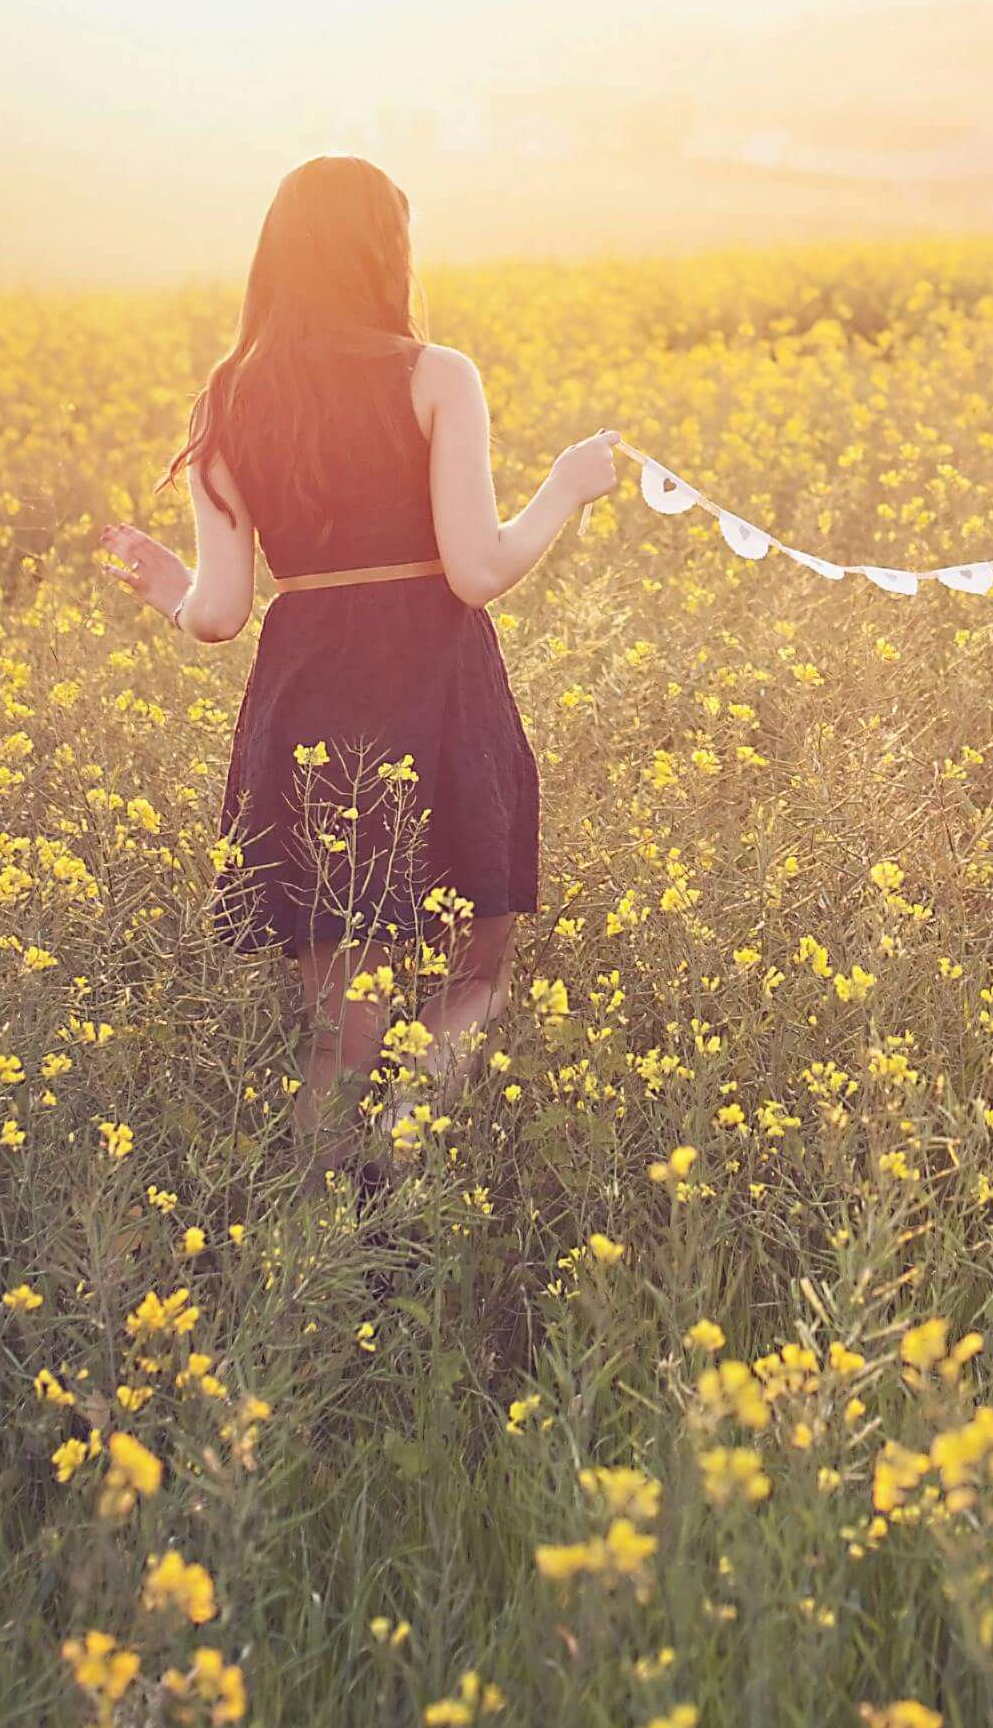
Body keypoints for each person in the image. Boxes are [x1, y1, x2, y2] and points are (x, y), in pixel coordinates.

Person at [98, 156, 620, 1149]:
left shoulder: (232, 392)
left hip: (306, 705)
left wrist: (169, 587)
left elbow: (219, 614)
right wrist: (564, 486)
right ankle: (406, 1144)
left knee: (342, 1033)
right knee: (475, 977)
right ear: (385, 248)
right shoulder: (435, 375)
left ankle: (314, 1240)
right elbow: (475, 568)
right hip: (437, 692)